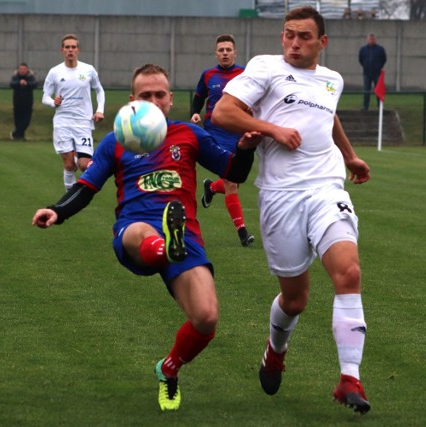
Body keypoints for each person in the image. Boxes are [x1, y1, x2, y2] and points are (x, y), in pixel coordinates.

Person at [32, 64, 259, 412]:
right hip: (134, 232)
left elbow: (234, 172)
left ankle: (168, 368)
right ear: (132, 100)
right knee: (145, 232)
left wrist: (244, 148)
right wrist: (57, 211)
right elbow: (86, 187)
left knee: (206, 318)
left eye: (159, 94)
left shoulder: (188, 135)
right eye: (145, 95)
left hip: (186, 240)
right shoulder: (117, 141)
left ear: (170, 100)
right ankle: (164, 239)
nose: (153, 100)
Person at [212, 6, 372, 414]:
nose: (294, 43)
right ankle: (275, 351)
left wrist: (350, 157)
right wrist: (272, 129)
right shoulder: (265, 67)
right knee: (295, 299)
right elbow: (224, 112)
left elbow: (327, 116)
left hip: (325, 187)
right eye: (288, 35)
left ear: (322, 42)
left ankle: (349, 378)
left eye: (303, 36)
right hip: (280, 196)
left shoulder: (332, 79)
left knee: (349, 271)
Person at [190, 34, 255, 247]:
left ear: (235, 52)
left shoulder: (245, 73)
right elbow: (199, 96)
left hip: (237, 131)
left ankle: (211, 188)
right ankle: (242, 232)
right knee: (231, 181)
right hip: (215, 132)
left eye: (228, 49)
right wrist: (195, 113)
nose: (225, 53)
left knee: (233, 180)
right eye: (221, 50)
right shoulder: (208, 75)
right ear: (216, 53)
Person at [42, 34, 105, 190]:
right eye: (67, 47)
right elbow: (45, 97)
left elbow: (99, 90)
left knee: (85, 165)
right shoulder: (55, 72)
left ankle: (78, 157)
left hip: (83, 122)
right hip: (62, 122)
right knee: (69, 165)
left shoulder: (88, 70)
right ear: (62, 50)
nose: (70, 50)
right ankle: (70, 198)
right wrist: (53, 102)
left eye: (73, 47)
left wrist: (99, 110)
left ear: (78, 50)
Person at [358, 33, 386, 112]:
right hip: (367, 73)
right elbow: (360, 59)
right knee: (366, 90)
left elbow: (384, 59)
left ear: (375, 40)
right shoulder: (363, 49)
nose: (371, 40)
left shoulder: (380, 49)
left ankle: (380, 107)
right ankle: (365, 107)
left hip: (377, 73)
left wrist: (378, 67)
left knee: (378, 91)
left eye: (373, 39)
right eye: (370, 39)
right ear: (367, 40)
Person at [9, 62, 38, 140]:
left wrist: (27, 84)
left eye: (24, 69)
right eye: (20, 69)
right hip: (17, 102)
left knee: (26, 121)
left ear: (27, 70)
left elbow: (35, 84)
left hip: (27, 102)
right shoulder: (15, 76)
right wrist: (19, 83)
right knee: (17, 120)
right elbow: (11, 84)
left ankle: (15, 134)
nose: (22, 71)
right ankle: (20, 136)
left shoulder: (30, 77)